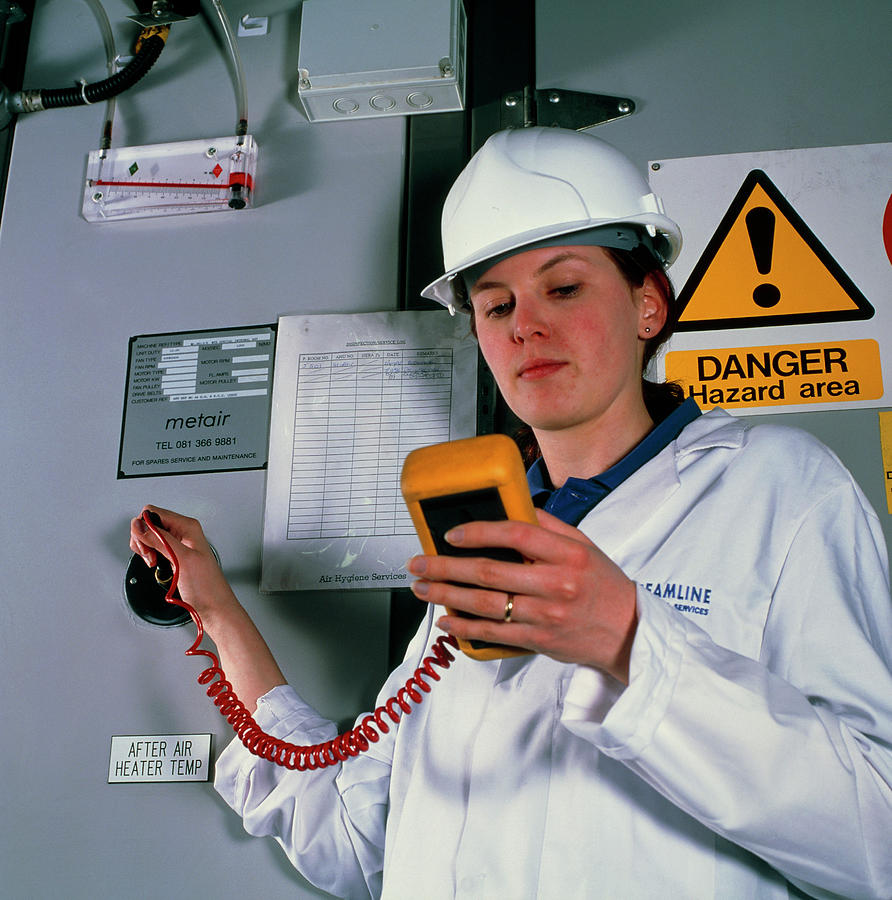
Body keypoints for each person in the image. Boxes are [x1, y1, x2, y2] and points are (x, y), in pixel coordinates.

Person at [130, 127, 892, 900]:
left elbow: (879, 843)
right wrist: (221, 614)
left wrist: (630, 641)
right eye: (496, 306)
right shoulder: (477, 544)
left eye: (563, 289)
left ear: (648, 306)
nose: (525, 325)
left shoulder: (777, 489)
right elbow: (360, 842)